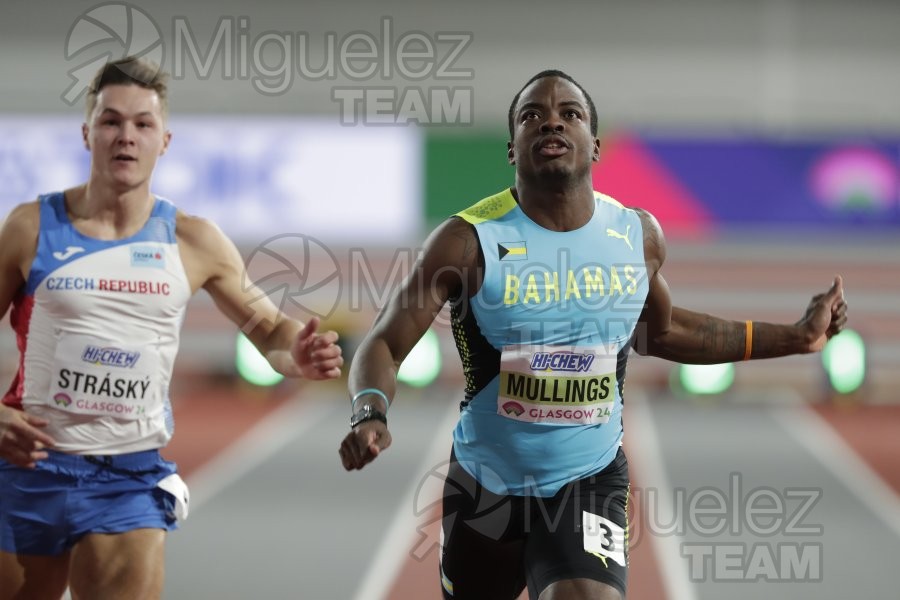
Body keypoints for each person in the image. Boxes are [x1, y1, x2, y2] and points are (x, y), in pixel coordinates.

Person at [339, 69, 848, 600]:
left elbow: (665, 332)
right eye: (531, 115)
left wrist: (798, 337)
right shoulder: (467, 241)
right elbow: (384, 343)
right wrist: (370, 411)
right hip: (485, 486)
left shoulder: (636, 236)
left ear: (595, 145)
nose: (551, 122)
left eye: (570, 114)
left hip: (589, 480)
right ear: (512, 148)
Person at [0, 56, 343, 600]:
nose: (126, 136)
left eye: (143, 124)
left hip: (127, 477)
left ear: (165, 140)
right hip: (30, 464)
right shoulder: (30, 227)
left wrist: (294, 355)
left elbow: (272, 330)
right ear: (88, 133)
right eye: (111, 121)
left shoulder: (193, 241)